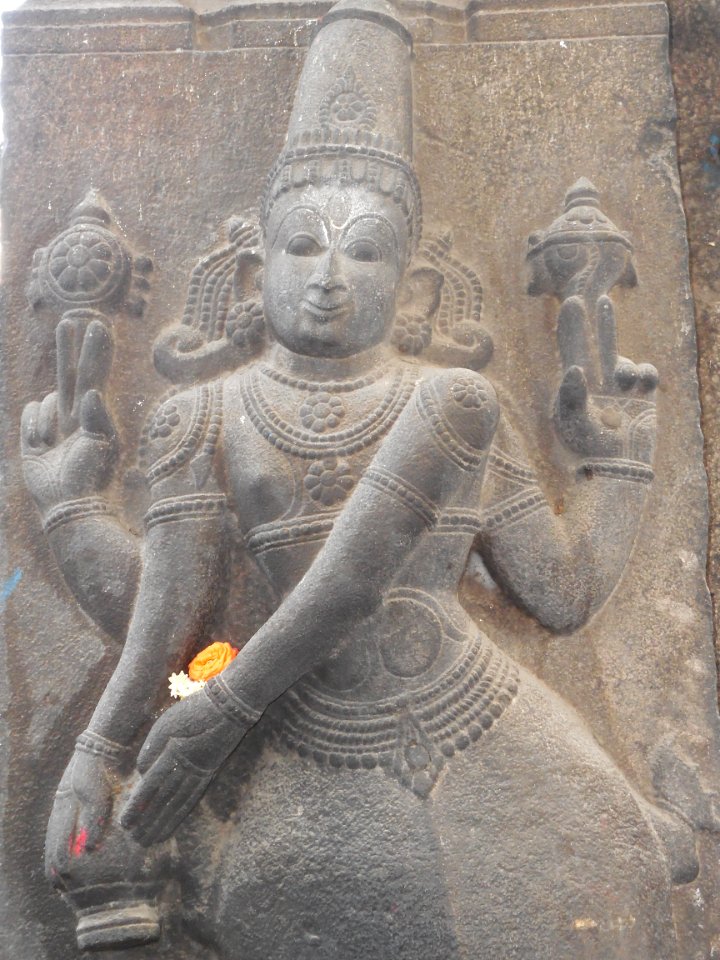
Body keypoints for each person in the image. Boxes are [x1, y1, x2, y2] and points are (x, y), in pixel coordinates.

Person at [22, 0, 692, 956]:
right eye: (303, 245)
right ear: (256, 273)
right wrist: (73, 515)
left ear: (410, 282)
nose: (330, 273)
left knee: (599, 875)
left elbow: (563, 592)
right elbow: (170, 621)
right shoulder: (203, 415)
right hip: (299, 738)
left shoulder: (457, 403)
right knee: (118, 863)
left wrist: (620, 459)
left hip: (479, 718)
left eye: (364, 248)